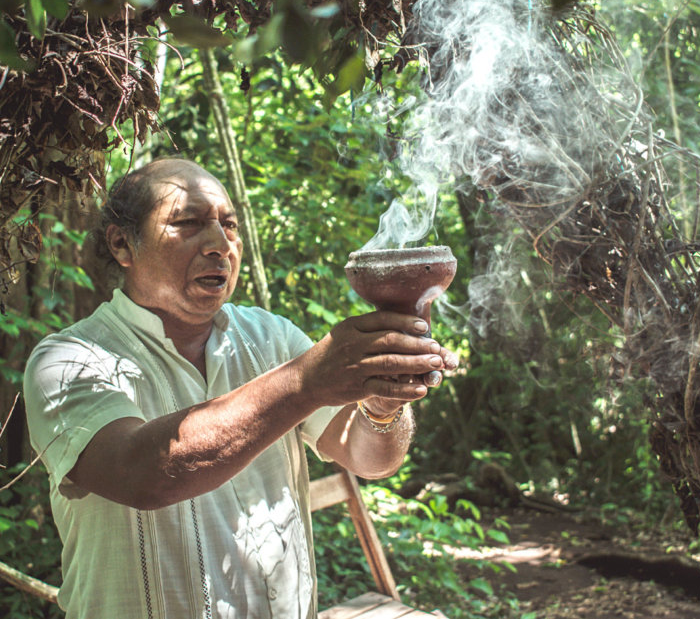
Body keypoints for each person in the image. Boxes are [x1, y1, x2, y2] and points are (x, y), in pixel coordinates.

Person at [23, 158, 458, 619]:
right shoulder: (68, 360)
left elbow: (371, 458)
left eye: (229, 226)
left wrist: (383, 402)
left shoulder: (271, 337)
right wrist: (307, 382)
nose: (219, 244)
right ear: (122, 244)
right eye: (187, 223)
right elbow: (139, 474)